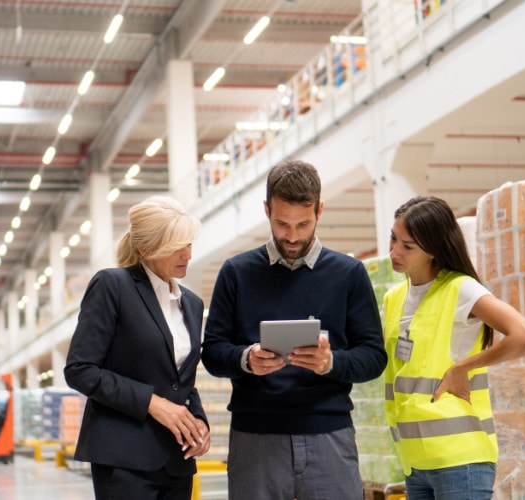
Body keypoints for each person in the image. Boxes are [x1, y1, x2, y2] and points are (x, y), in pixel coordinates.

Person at [201, 160, 387, 500]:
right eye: (281, 223)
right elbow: (212, 351)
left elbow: (373, 357)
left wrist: (330, 363)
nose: (292, 236)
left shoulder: (349, 274)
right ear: (266, 209)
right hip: (255, 438)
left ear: (320, 209)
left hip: (329, 433)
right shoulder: (236, 273)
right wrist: (246, 359)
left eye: (303, 224)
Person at [384, 195, 525, 500]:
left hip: (460, 460)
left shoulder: (460, 289)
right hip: (413, 460)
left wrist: (463, 367)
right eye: (393, 238)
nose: (394, 251)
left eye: (407, 246)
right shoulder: (394, 298)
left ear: (433, 249)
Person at [63, 195, 210, 500]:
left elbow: (183, 381)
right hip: (124, 458)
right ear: (146, 248)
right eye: (177, 246)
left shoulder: (192, 304)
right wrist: (152, 403)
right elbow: (80, 370)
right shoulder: (112, 286)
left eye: (189, 244)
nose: (188, 254)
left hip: (177, 459)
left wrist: (198, 423)